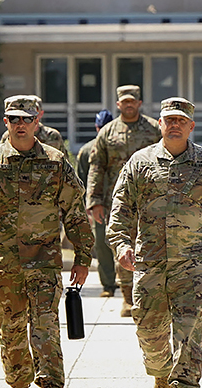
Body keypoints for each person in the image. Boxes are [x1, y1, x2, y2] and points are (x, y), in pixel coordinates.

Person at [107, 97, 202, 388]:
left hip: (192, 263)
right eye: (170, 119)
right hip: (150, 262)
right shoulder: (140, 163)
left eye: (181, 120)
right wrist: (121, 245)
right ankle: (160, 374)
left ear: (191, 126)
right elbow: (121, 210)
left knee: (189, 329)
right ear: (160, 124)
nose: (175, 125)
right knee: (149, 330)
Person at [0, 95, 94, 388]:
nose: (20, 124)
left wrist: (83, 256)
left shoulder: (55, 161)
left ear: (37, 122)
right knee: (12, 330)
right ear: (5, 122)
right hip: (3, 262)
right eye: (14, 119)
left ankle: (50, 386)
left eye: (27, 119)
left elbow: (75, 210)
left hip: (44, 260)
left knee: (45, 324)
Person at [86, 85, 161, 317]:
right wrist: (95, 201)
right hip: (118, 202)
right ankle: (128, 299)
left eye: (133, 101)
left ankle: (150, 296)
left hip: (151, 201)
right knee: (123, 247)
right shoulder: (107, 132)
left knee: (153, 248)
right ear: (118, 104)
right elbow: (96, 167)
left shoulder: (154, 129)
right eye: (125, 102)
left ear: (139, 103)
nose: (129, 105)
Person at [77, 109, 116, 298]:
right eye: (101, 127)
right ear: (96, 127)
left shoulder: (120, 147)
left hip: (122, 204)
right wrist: (86, 208)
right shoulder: (87, 151)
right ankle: (108, 284)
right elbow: (81, 182)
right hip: (100, 206)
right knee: (101, 244)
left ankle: (130, 283)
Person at [0, 95, 70, 155]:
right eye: (14, 118)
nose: (21, 124)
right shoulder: (8, 135)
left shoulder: (52, 136)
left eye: (28, 117)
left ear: (40, 114)